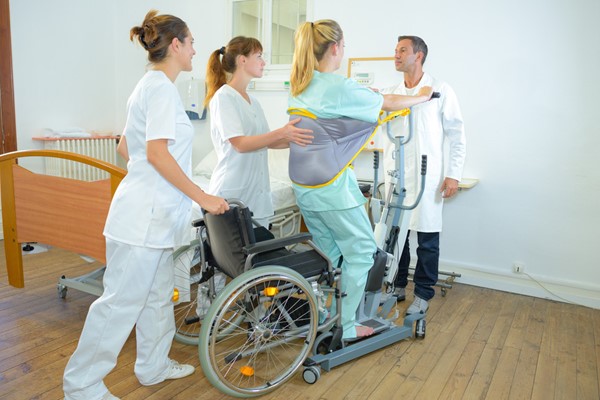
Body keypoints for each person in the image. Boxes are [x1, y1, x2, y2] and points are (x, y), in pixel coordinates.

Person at [63, 10, 229, 400]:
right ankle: (81, 386)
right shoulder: (158, 89)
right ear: (176, 45)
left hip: (154, 217)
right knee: (120, 304)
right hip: (142, 219)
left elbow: (127, 147)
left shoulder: (152, 86)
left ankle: (152, 365)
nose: (194, 50)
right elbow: (156, 153)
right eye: (190, 43)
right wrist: (202, 196)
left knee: (156, 297)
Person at [288, 20, 433, 340]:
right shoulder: (339, 86)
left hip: (305, 189)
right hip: (331, 190)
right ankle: (349, 326)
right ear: (336, 48)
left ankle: (327, 312)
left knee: (332, 257)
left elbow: (333, 117)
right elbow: (390, 103)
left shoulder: (301, 83)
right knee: (363, 254)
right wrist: (421, 96)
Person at [381, 35, 466, 315]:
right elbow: (384, 135)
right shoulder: (392, 92)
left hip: (427, 176)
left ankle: (423, 293)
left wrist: (453, 175)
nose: (396, 55)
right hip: (397, 177)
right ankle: (395, 286)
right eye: (395, 50)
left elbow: (457, 135)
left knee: (427, 238)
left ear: (418, 55)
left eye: (402, 50)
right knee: (397, 236)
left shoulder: (440, 89)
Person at [204, 36, 313, 227]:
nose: (264, 62)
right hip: (232, 193)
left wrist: (298, 137)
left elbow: (268, 141)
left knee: (255, 253)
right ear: (242, 60)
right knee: (237, 255)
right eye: (259, 56)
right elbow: (240, 144)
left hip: (257, 196)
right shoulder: (224, 97)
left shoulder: (253, 102)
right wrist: (282, 133)